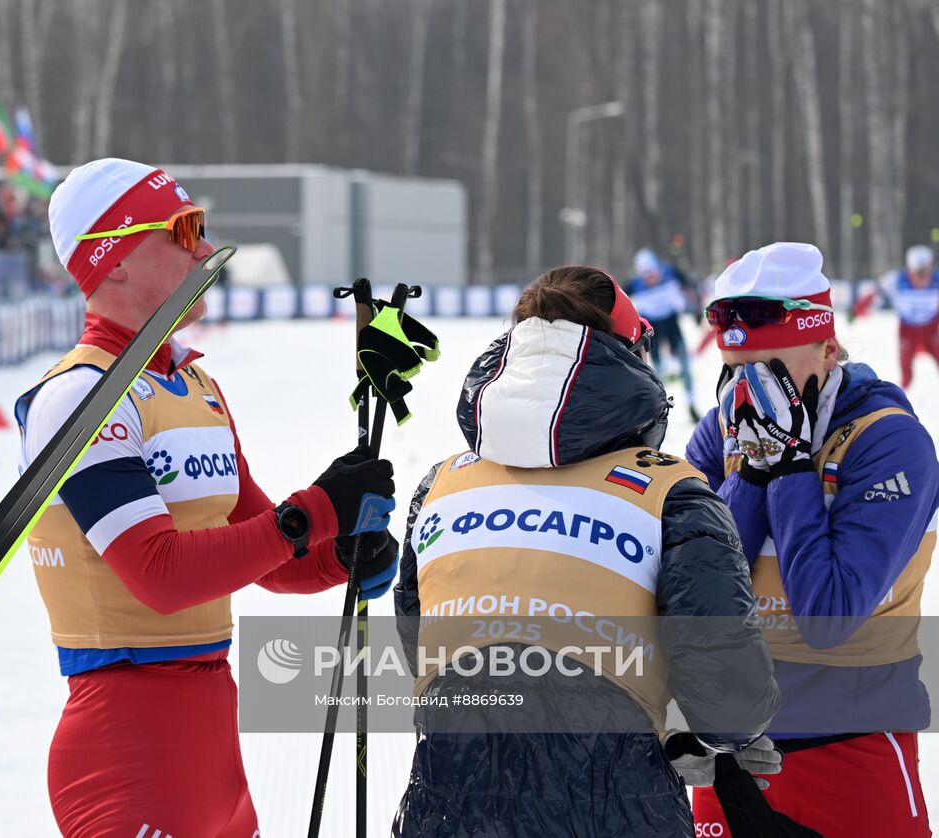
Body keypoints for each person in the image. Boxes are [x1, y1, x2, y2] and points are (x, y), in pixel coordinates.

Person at [15, 157, 400, 837]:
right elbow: (161, 577)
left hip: (212, 750)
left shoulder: (197, 388)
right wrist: (313, 512)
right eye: (182, 228)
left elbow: (275, 560)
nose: (202, 246)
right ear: (115, 259)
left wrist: (343, 552)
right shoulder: (79, 397)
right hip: (127, 749)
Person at [392, 266, 780, 837]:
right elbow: (730, 700)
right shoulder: (670, 492)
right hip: (615, 808)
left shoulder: (442, 484)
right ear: (627, 358)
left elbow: (419, 641)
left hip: (447, 806)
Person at [687, 241, 935, 836]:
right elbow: (698, 593)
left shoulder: (889, 441)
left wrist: (791, 468)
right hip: (732, 751)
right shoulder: (722, 426)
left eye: (772, 369)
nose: (751, 390)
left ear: (828, 350)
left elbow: (828, 616)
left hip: (850, 744)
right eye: (735, 370)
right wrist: (751, 471)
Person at [627, 247, 701, 421]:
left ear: (658, 268)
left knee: (685, 364)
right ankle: (658, 408)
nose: (651, 278)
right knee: (658, 370)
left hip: (672, 323)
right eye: (645, 275)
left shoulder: (670, 272)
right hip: (653, 329)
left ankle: (691, 404)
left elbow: (690, 286)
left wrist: (696, 307)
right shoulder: (634, 284)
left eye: (653, 273)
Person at [857, 244, 939, 389]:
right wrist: (860, 308)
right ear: (909, 269)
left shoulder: (936, 279)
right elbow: (875, 291)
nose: (921, 278)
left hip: (931, 330)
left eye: (925, 273)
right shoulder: (897, 278)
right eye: (917, 273)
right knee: (906, 375)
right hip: (908, 331)